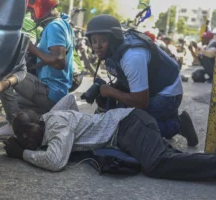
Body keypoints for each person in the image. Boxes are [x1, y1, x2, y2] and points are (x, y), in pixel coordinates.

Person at [3, 94, 216, 194]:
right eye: (22, 136)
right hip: (129, 128)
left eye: (27, 133)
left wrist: (22, 153)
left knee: (158, 164)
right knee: (173, 161)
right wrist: (16, 136)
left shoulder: (56, 124)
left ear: (36, 124)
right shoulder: (51, 116)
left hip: (129, 125)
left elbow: (55, 161)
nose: (28, 139)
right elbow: (70, 100)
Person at [84, 14, 198, 146]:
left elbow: (141, 102)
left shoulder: (132, 56)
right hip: (151, 88)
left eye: (103, 40)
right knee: (117, 116)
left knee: (129, 129)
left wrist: (110, 92)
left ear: (114, 39)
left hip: (168, 94)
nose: (97, 46)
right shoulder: (113, 50)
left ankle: (178, 124)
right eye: (94, 41)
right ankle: (165, 120)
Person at [0, 0, 74, 138]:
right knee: (14, 97)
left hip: (50, 92)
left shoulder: (55, 26)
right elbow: (51, 59)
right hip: (55, 93)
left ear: (39, 5)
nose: (32, 16)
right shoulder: (60, 24)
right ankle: (19, 122)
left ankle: (12, 125)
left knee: (6, 74)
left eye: (31, 11)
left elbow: (60, 61)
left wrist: (31, 48)